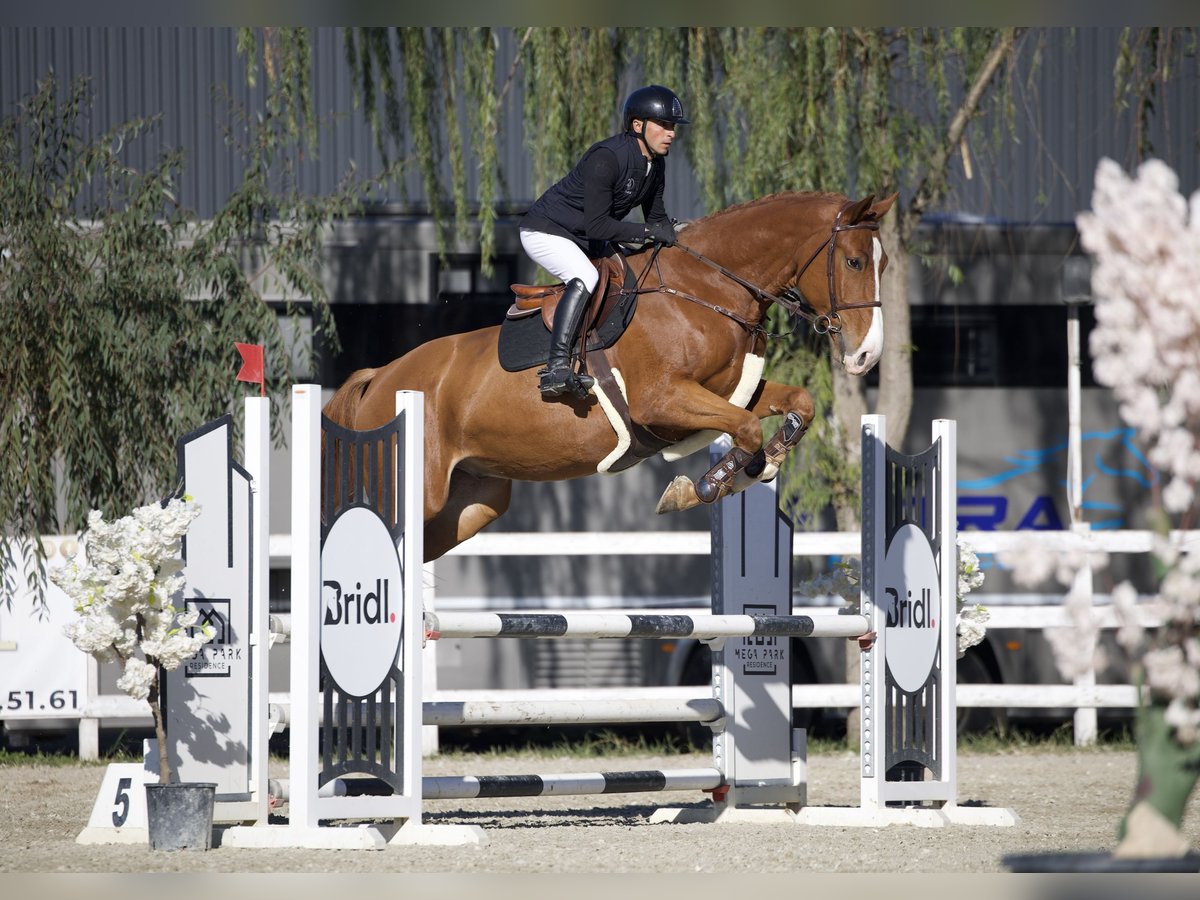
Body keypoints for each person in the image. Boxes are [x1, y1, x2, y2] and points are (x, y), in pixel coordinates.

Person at [519, 85, 689, 397]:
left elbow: (657, 221)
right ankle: (556, 367)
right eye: (664, 125)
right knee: (585, 275)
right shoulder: (607, 158)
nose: (671, 133)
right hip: (547, 230)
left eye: (673, 127)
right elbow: (598, 226)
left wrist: (684, 236)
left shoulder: (656, 164)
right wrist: (651, 233)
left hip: (584, 236)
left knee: (632, 275)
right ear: (638, 126)